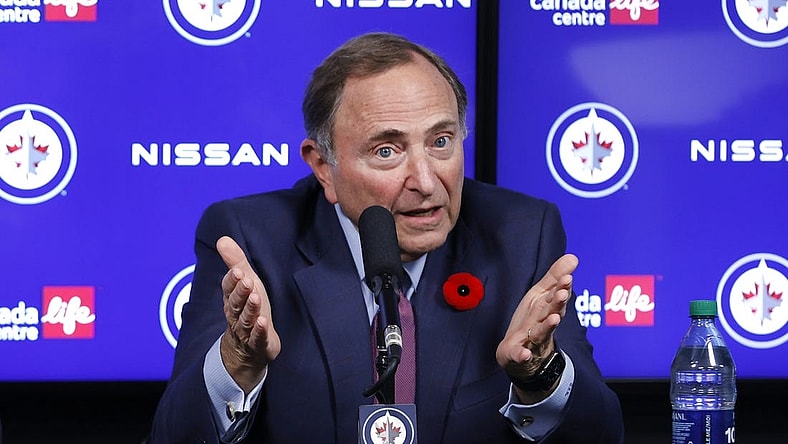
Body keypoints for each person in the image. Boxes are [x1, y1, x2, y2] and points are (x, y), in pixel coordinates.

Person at [149, 32, 624, 443]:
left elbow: (602, 434)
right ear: (323, 166)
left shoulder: (521, 234)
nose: (426, 181)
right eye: (386, 151)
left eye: (441, 142)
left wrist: (539, 375)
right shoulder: (251, 242)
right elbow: (173, 435)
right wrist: (237, 363)